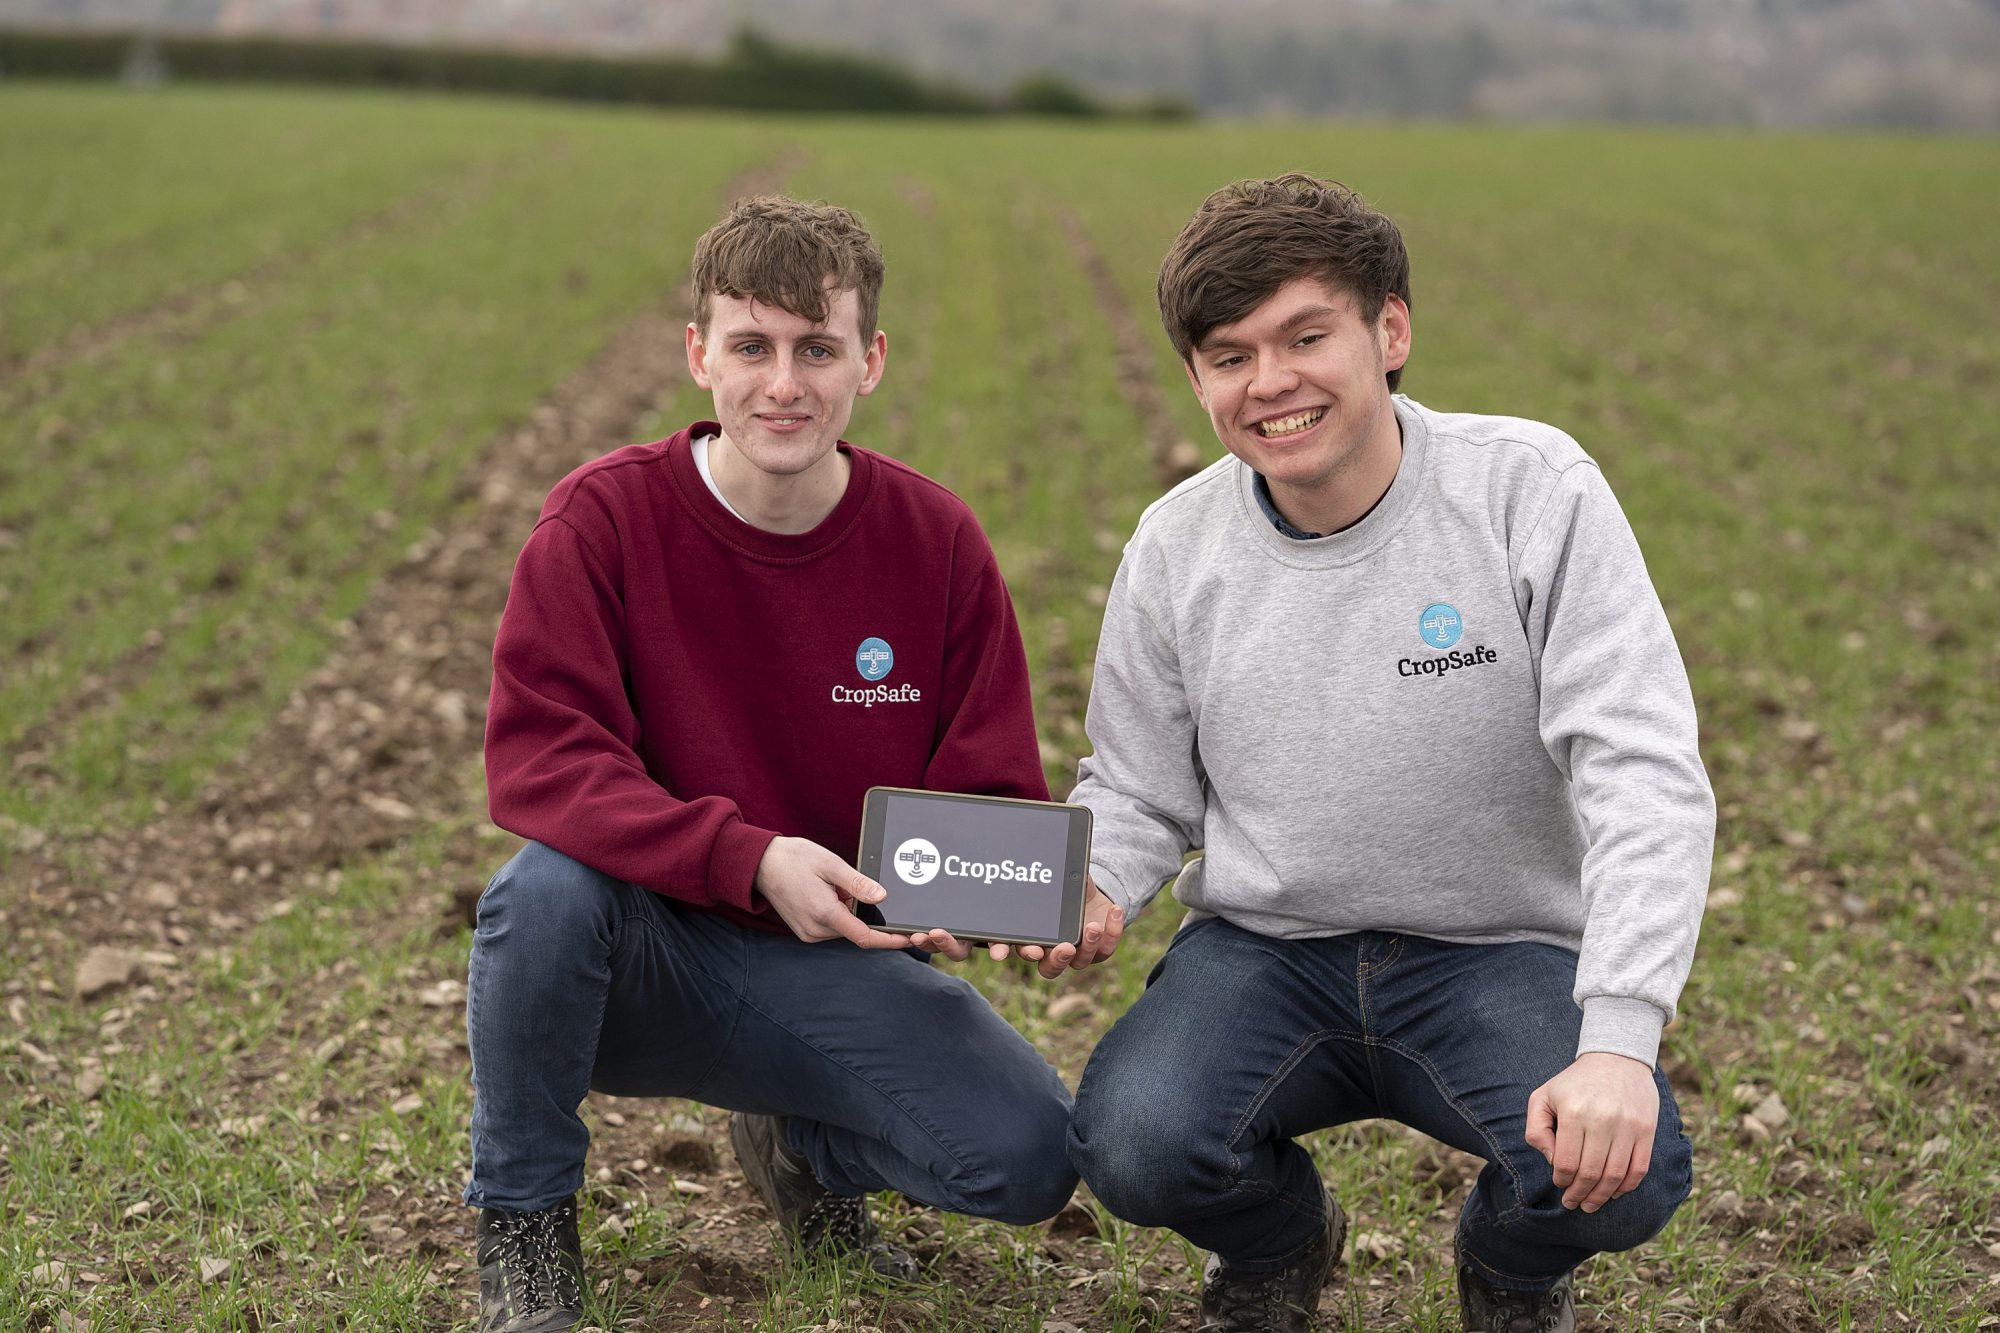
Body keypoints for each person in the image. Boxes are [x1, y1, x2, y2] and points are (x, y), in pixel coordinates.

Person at [1049, 174, 1715, 1333]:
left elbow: (1640, 770)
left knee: (1623, 1167)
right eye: (1228, 354)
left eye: (1306, 336)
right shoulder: (1174, 547)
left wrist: (1614, 1038)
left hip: (1494, 951)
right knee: (1135, 1142)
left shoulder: (1528, 493)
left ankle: (1511, 1264)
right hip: (1264, 952)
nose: (1270, 382)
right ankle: (1276, 1242)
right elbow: (1141, 786)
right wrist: (1097, 877)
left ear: (1389, 329)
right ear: (1198, 376)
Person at [462, 195, 1077, 1333]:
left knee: (1029, 1156)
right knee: (539, 892)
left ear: (869, 362)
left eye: (815, 349)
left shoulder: (935, 543)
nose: (782, 384)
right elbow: (543, 760)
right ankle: (524, 1222)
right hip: (636, 950)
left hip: (828, 962)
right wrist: (744, 858)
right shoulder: (602, 521)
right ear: (700, 355)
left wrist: (982, 897)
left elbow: (988, 790)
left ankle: (804, 1151)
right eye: (750, 346)